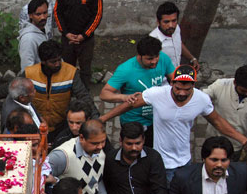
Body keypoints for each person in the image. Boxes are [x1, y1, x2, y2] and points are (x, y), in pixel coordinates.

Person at [100, 65, 247, 183]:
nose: (182, 93)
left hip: (184, 160)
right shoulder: (156, 94)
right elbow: (129, 105)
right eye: (178, 88)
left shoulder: (202, 100)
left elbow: (217, 121)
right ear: (171, 83)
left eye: (187, 90)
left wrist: (243, 140)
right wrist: (103, 119)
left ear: (193, 86)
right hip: (160, 161)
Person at [99, 36, 174, 147]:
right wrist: (124, 97)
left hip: (157, 118)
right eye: (149, 59)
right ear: (139, 56)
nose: (154, 62)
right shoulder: (125, 70)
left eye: (156, 57)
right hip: (134, 121)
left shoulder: (164, 59)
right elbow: (104, 94)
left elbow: (174, 79)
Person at [47, 119, 109, 194]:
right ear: (81, 138)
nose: (100, 146)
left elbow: (96, 177)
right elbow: (43, 182)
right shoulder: (62, 156)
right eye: (95, 143)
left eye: (103, 142)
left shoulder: (99, 151)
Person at [24, 40, 98, 137]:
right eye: (53, 62)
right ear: (43, 61)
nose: (58, 64)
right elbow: (13, 89)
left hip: (62, 125)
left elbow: (83, 96)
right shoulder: (29, 73)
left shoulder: (71, 73)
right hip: (37, 126)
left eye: (59, 60)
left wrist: (96, 118)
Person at [53, 0, 102, 89]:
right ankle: (68, 92)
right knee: (67, 68)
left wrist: (84, 35)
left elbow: (97, 14)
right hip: (67, 39)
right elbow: (57, 12)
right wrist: (66, 33)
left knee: (85, 69)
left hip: (86, 40)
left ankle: (85, 94)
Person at [203, 65, 247, 152]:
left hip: (237, 146)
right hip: (213, 141)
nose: (246, 94)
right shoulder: (220, 85)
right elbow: (201, 98)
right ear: (235, 82)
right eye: (243, 91)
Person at [149, 2, 199, 70]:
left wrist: (192, 58)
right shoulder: (152, 40)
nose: (171, 25)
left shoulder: (176, 29)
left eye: (174, 21)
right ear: (158, 22)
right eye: (166, 22)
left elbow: (178, 43)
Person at [19, 0, 50, 70]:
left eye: (45, 13)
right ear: (30, 15)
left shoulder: (45, 28)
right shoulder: (28, 39)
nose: (43, 17)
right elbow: (27, 68)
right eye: (38, 14)